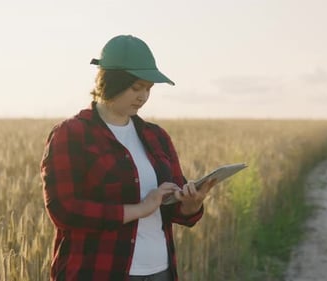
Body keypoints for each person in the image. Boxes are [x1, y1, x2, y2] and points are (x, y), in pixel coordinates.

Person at [40, 35, 215, 281]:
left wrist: (191, 203)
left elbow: (175, 209)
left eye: (148, 89)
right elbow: (64, 210)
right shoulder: (72, 134)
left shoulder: (156, 136)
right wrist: (139, 209)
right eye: (136, 87)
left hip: (159, 271)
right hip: (99, 272)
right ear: (111, 81)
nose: (143, 96)